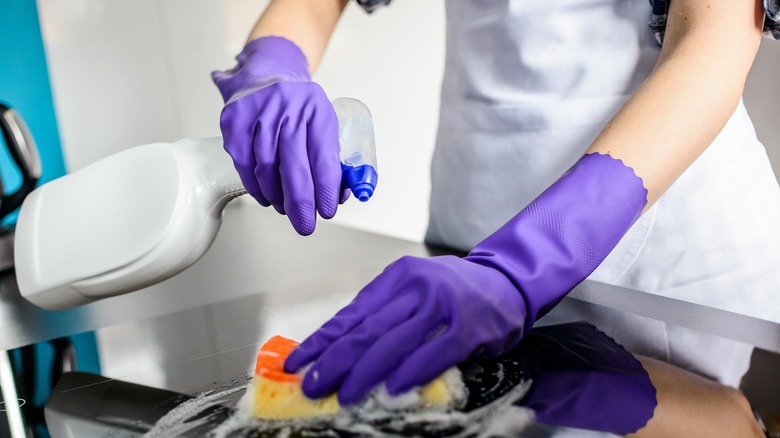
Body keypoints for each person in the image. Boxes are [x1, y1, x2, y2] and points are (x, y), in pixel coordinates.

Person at [211, 0, 778, 434]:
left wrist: (522, 265)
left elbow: (715, 41)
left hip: (665, 239)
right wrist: (271, 67)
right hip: (470, 218)